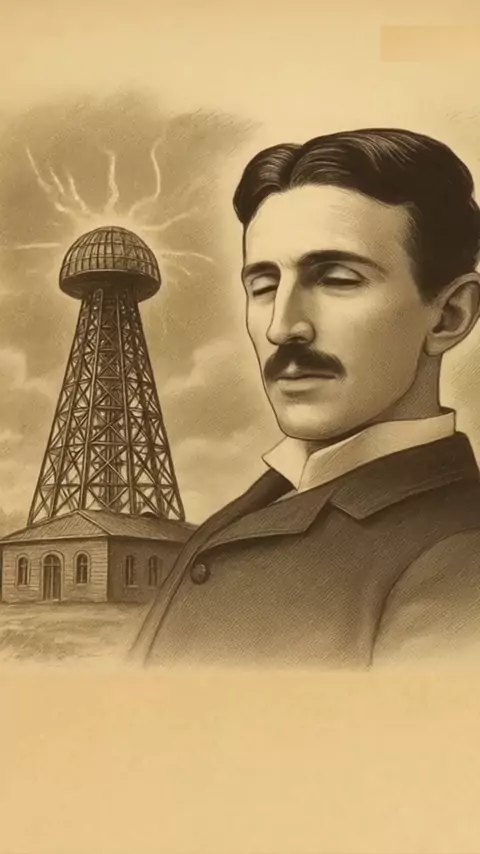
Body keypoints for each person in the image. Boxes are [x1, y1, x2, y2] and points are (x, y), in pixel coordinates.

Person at [130, 128, 480, 668]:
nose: (282, 327)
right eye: (263, 286)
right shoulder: (268, 496)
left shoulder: (458, 555)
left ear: (449, 316)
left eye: (336, 279)